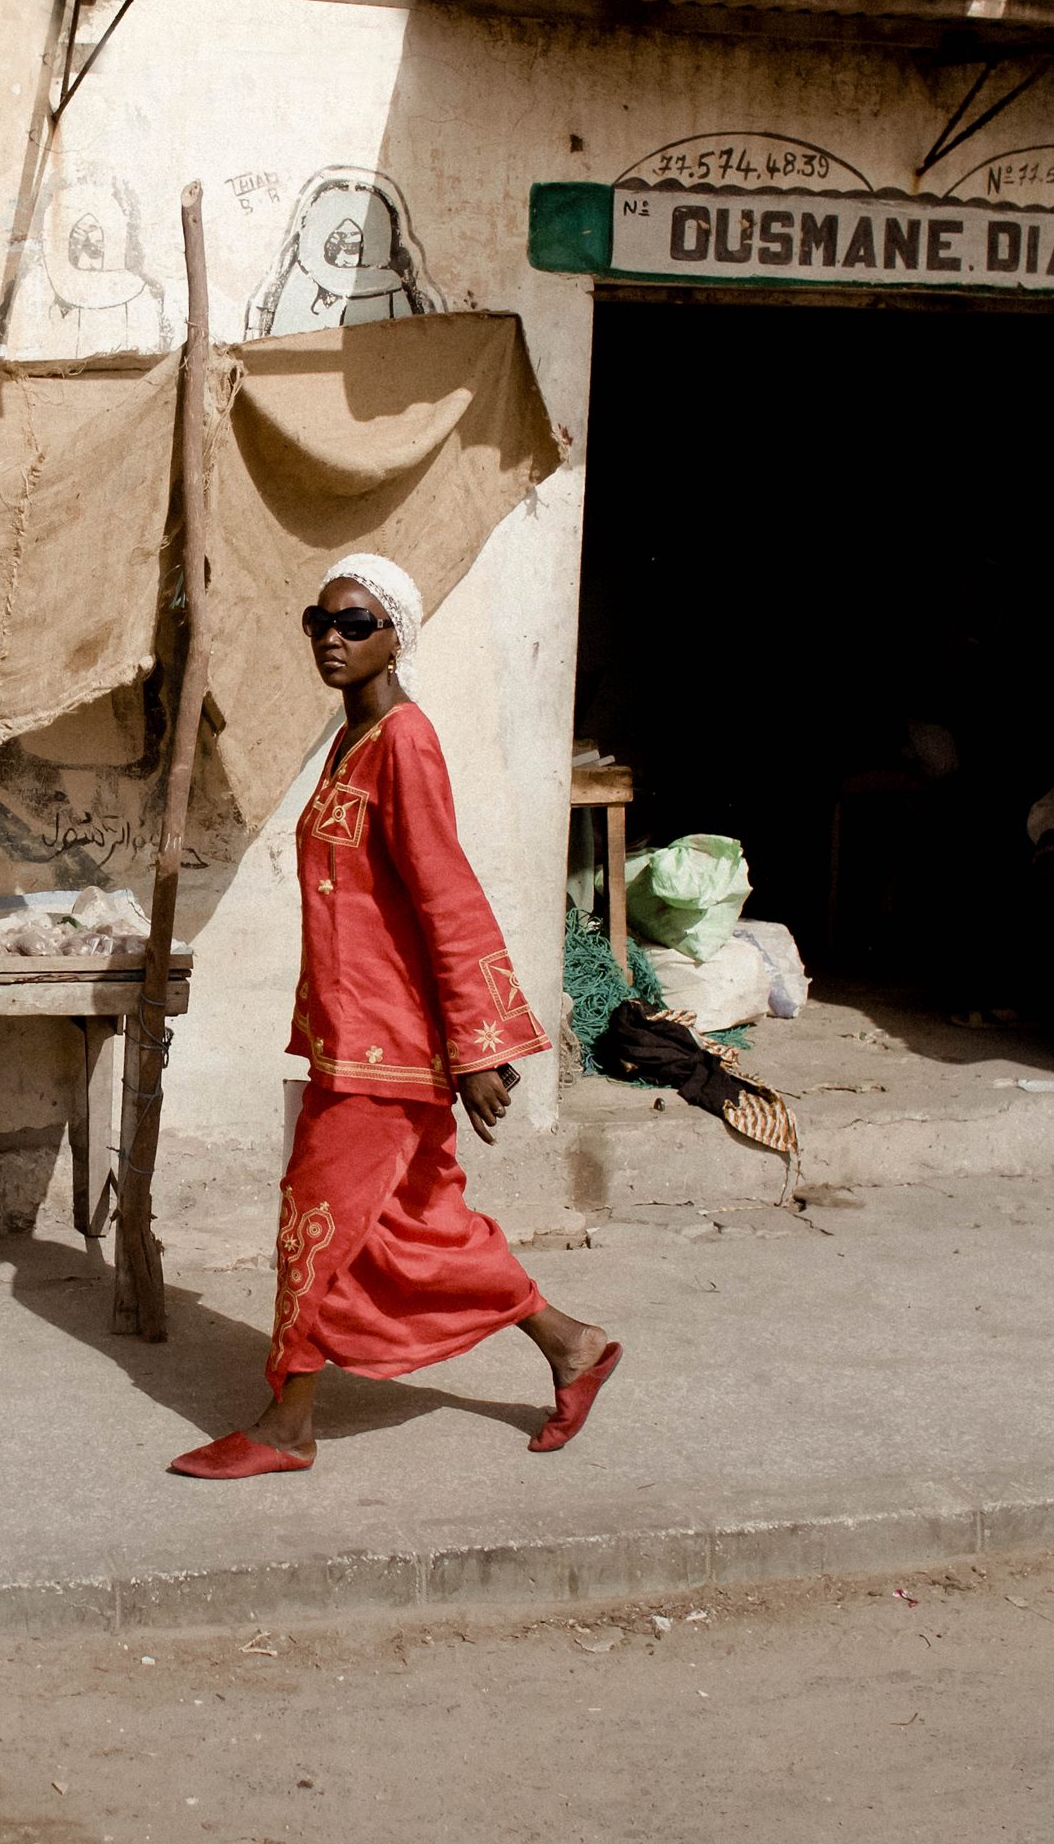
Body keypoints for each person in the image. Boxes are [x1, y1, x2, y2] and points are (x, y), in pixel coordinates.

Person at [170, 555, 620, 1479]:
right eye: (319, 621)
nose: (333, 638)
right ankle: (572, 1344)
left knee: (317, 1218)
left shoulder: (406, 741)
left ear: (395, 636)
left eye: (358, 623)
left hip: (392, 1046)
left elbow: (443, 894)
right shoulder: (351, 742)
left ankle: (288, 1425)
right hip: (349, 1032)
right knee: (417, 1228)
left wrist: (479, 1048)